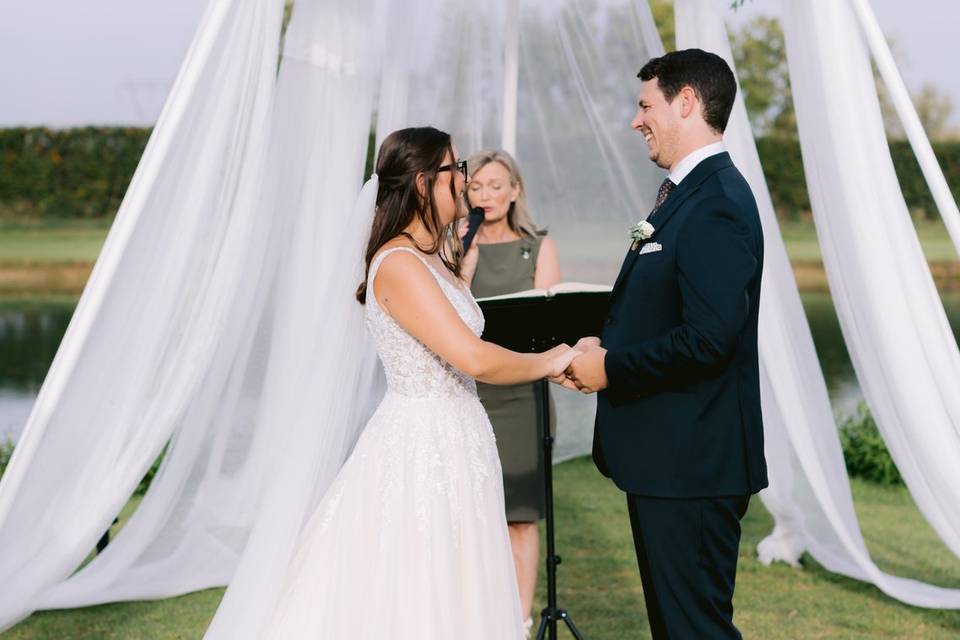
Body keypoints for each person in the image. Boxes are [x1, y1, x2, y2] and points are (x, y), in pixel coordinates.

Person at [261, 127, 578, 639]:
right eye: (459, 171)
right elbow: (473, 357)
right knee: (416, 578)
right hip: (420, 441)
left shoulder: (437, 257)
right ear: (427, 183)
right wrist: (553, 362)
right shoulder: (400, 263)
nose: (467, 182)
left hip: (462, 434)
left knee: (462, 577)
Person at [561, 49, 768, 639]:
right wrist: (604, 339)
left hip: (694, 464)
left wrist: (612, 369)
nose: (635, 120)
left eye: (645, 104)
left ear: (686, 102)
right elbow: (671, 310)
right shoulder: (685, 194)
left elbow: (709, 339)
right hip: (671, 462)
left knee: (695, 631)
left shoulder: (717, 203)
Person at [459, 149, 560, 630]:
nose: (486, 195)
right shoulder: (454, 247)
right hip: (465, 393)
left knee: (519, 514)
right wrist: (463, 260)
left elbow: (551, 325)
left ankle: (518, 618)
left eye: (495, 185)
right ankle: (474, 611)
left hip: (522, 397)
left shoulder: (539, 247)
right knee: (469, 511)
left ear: (515, 190)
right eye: (476, 186)